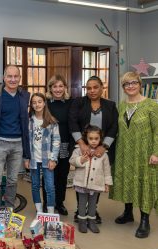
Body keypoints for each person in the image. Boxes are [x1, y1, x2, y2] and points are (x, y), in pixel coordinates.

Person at [111, 71, 158, 239]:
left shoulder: (151, 105)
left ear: (140, 84)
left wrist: (156, 152)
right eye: (126, 84)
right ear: (123, 87)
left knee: (144, 183)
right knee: (128, 180)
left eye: (133, 83)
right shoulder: (122, 105)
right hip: (125, 151)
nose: (130, 86)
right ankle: (128, 212)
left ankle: (145, 220)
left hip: (144, 153)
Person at [0, 65, 30, 209]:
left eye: (16, 76)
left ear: (20, 78)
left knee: (13, 180)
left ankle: (9, 208)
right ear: (4, 77)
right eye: (9, 76)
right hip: (0, 143)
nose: (13, 79)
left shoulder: (23, 96)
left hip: (18, 144)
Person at [69, 76, 118, 223]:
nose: (92, 90)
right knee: (82, 180)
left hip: (102, 151)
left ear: (102, 87)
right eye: (88, 88)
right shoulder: (78, 103)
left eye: (95, 87)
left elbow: (114, 127)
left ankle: (92, 210)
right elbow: (72, 122)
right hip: (83, 149)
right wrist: (81, 144)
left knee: (96, 181)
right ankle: (80, 210)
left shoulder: (110, 105)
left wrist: (104, 147)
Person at [70, 125, 112, 233]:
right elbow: (72, 161)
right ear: (86, 138)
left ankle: (92, 221)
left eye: (96, 139)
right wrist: (81, 160)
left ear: (100, 139)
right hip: (81, 183)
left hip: (96, 184)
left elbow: (107, 170)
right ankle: (82, 222)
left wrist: (107, 184)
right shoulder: (79, 150)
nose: (93, 141)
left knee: (93, 204)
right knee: (82, 203)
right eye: (91, 138)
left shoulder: (103, 155)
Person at [42, 74, 73, 215]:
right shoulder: (45, 103)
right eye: (55, 86)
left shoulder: (71, 103)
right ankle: (48, 203)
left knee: (62, 175)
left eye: (61, 86)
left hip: (65, 144)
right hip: (48, 145)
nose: (58, 89)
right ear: (50, 88)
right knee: (48, 175)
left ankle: (60, 203)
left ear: (65, 87)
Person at [28, 93, 60, 214]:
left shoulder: (52, 121)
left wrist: (53, 159)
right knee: (35, 185)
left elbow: (56, 141)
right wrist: (26, 158)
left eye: (39, 101)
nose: (37, 104)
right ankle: (39, 211)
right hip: (33, 159)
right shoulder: (29, 121)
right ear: (31, 105)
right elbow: (26, 141)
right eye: (34, 102)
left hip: (48, 159)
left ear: (44, 103)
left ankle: (51, 213)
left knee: (50, 187)